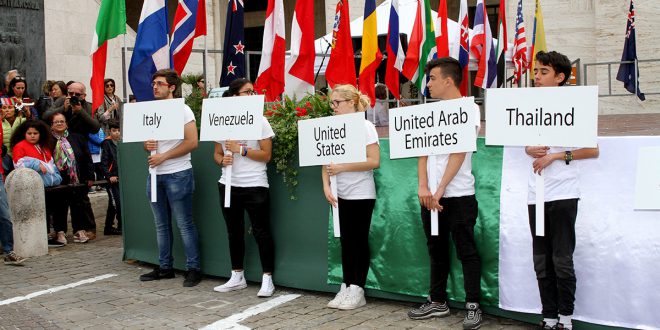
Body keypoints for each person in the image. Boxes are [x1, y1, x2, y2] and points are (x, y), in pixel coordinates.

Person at [525, 51, 599, 330]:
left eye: (544, 72)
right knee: (541, 258)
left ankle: (565, 318)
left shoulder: (576, 106)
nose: (537, 77)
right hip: (536, 194)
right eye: (536, 71)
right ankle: (548, 315)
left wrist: (556, 156)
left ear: (560, 77)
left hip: (564, 194)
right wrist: (529, 149)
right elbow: (526, 144)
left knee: (562, 258)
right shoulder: (529, 107)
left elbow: (592, 150)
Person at [407, 58, 483, 330]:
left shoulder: (469, 109)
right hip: (430, 198)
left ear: (448, 80)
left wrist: (440, 189)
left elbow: (459, 152)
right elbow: (421, 152)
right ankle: (437, 301)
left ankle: (473, 305)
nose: (427, 84)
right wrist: (423, 187)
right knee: (435, 249)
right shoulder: (429, 113)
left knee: (466, 250)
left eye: (432, 78)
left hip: (459, 195)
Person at [212, 78, 276, 297]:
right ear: (234, 96)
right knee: (234, 232)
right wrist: (222, 161)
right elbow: (217, 153)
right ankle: (237, 276)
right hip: (228, 184)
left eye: (253, 91)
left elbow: (266, 155)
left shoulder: (260, 121)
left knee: (261, 232)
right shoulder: (221, 121)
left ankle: (267, 278)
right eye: (247, 92)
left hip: (255, 185)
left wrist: (242, 150)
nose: (252, 95)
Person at [139, 69, 202, 288]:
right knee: (161, 225)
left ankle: (193, 268)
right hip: (155, 174)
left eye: (159, 83)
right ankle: (165, 267)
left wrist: (164, 156)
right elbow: (146, 141)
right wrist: (146, 145)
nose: (154, 86)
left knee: (184, 223)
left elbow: (192, 142)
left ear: (171, 87)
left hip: (178, 173)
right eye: (153, 83)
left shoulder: (183, 110)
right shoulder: (152, 109)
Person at [322, 84, 380, 310]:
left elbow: (374, 160)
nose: (333, 107)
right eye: (332, 103)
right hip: (339, 193)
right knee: (345, 241)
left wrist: (342, 168)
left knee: (358, 239)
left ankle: (358, 288)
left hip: (361, 193)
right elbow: (324, 158)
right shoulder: (332, 126)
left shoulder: (365, 126)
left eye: (337, 102)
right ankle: (346, 285)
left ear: (351, 102)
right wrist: (326, 185)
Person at [10, 120, 63, 247]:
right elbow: (18, 164)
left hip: (49, 186)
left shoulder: (44, 146)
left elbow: (51, 166)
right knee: (40, 212)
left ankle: (51, 234)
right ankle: (42, 237)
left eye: (35, 133)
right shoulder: (20, 146)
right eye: (29, 133)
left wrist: (57, 177)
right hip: (33, 188)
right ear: (24, 134)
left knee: (51, 211)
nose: (32, 136)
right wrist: (36, 164)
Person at [48, 113, 96, 244]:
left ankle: (79, 230)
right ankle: (60, 232)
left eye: (62, 121)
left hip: (76, 177)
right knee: (59, 206)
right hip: (58, 179)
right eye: (56, 122)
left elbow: (87, 158)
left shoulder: (77, 138)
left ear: (66, 124)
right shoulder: (47, 140)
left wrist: (90, 176)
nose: (59, 124)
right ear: (51, 125)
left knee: (78, 204)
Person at [100, 119, 122, 235]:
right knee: (115, 203)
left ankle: (109, 227)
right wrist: (109, 176)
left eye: (119, 130)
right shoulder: (107, 144)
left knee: (115, 204)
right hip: (112, 180)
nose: (117, 133)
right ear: (109, 131)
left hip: (121, 179)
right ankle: (116, 226)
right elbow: (103, 163)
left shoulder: (122, 143)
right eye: (114, 131)